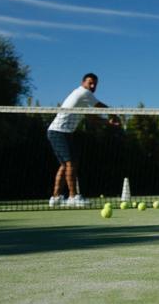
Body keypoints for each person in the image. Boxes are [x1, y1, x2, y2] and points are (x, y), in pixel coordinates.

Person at [47, 73, 119, 207]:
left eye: (95, 84)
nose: (92, 86)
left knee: (65, 165)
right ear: (83, 83)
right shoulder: (83, 93)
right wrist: (113, 113)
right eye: (90, 83)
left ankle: (56, 198)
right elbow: (100, 105)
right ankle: (73, 197)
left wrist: (108, 122)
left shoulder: (83, 100)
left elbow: (91, 118)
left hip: (60, 132)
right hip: (59, 132)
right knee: (71, 164)